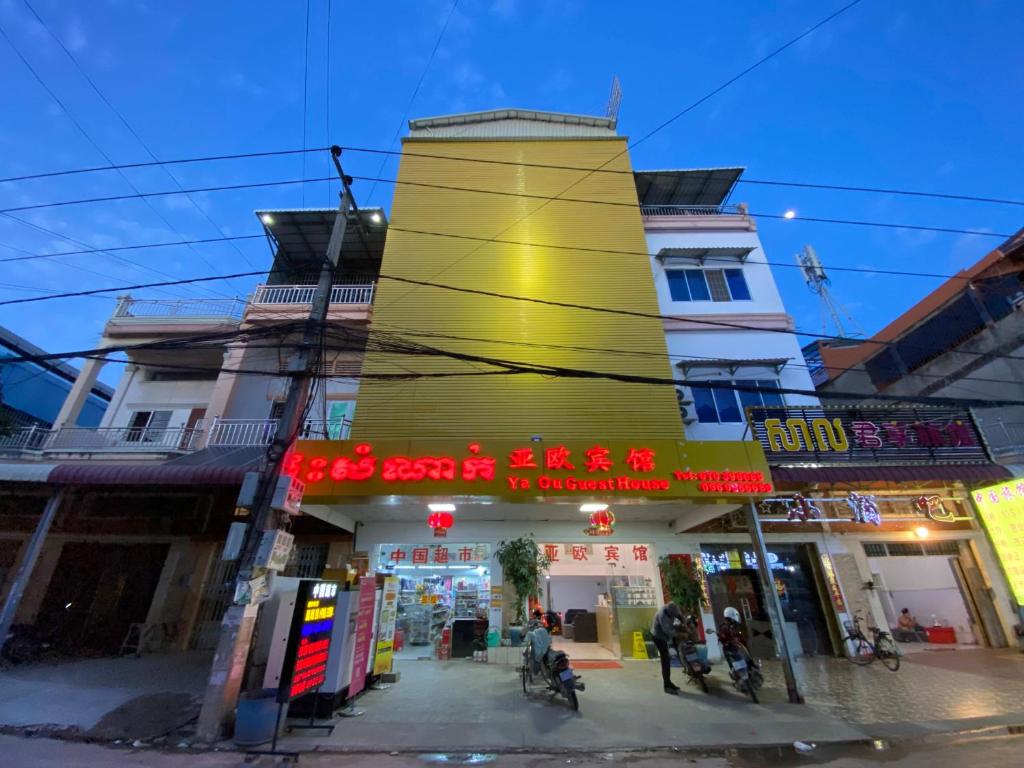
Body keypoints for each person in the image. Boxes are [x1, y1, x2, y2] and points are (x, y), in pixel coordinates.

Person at [651, 601, 686, 694]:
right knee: (665, 661)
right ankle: (666, 685)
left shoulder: (672, 608)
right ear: (669, 613)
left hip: (664, 637)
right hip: (658, 637)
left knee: (667, 660)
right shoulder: (663, 616)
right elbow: (669, 632)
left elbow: (679, 615)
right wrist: (681, 634)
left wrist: (684, 622)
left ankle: (669, 683)